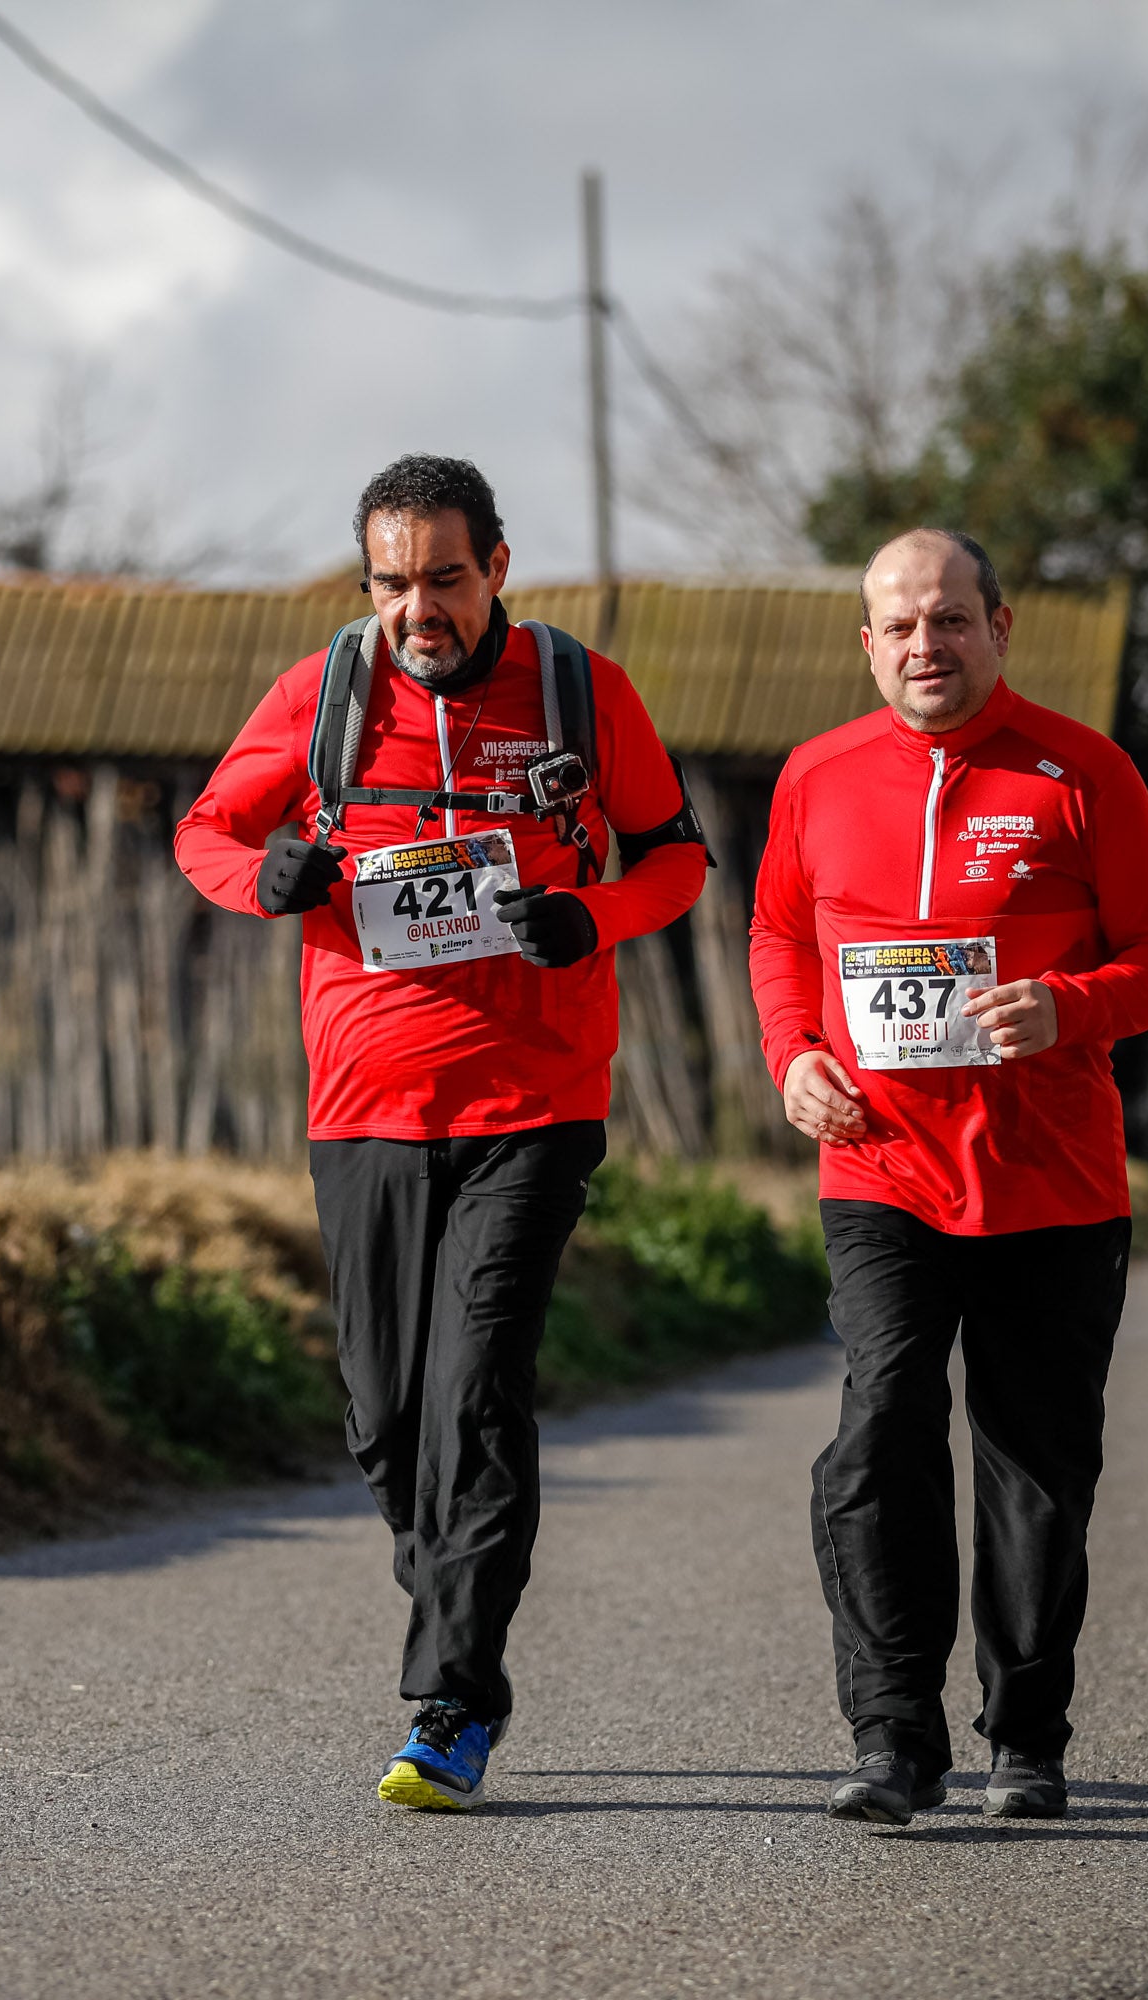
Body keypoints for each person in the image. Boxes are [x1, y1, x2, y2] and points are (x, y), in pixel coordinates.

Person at [174, 454, 708, 1810]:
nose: (422, 607)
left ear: (499, 568)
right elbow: (205, 835)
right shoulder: (323, 697)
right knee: (386, 1410)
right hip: (365, 1103)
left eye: (447, 578)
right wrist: (267, 877)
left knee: (475, 1392)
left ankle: (454, 1699)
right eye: (395, 580)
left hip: (537, 1095)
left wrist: (596, 915)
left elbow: (675, 854)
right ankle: (453, 1595)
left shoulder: (583, 691)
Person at [748, 527, 1148, 1825]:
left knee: (1036, 1464)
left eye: (948, 620)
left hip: (1051, 1181)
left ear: (1000, 628)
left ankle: (1025, 1735)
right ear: (867, 644)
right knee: (882, 1421)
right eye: (898, 625)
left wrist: (1072, 1007)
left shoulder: (1082, 772)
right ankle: (893, 1736)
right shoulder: (818, 776)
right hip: (881, 1166)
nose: (923, 645)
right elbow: (780, 928)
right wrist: (793, 1056)